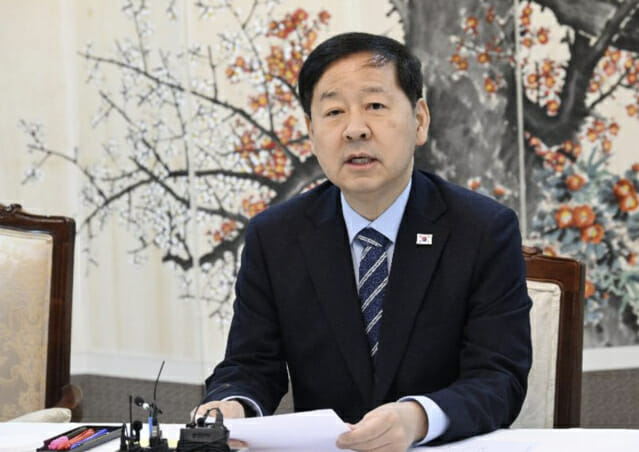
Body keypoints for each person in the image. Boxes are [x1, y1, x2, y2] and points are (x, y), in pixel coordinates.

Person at [196, 32, 532, 451]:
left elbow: (498, 378)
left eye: (375, 105)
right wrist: (231, 405)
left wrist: (418, 418)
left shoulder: (482, 230)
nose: (355, 130)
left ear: (420, 120)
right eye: (334, 112)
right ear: (312, 132)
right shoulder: (276, 237)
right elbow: (250, 364)